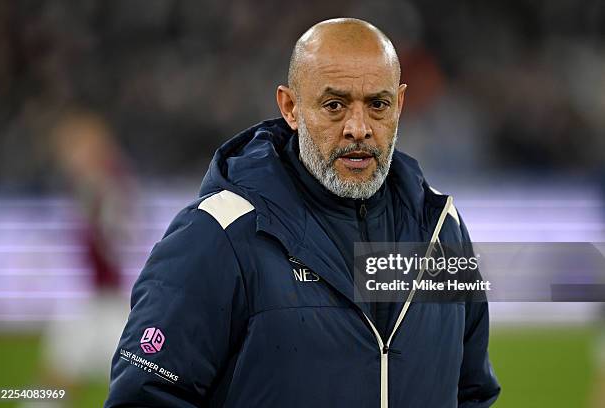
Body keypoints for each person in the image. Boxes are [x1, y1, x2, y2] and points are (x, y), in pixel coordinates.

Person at [105, 18, 500, 408]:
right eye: (335, 105)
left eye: (377, 105)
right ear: (290, 107)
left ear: (399, 105)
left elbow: (471, 393)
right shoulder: (217, 235)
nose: (358, 128)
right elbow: (145, 399)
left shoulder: (440, 230)